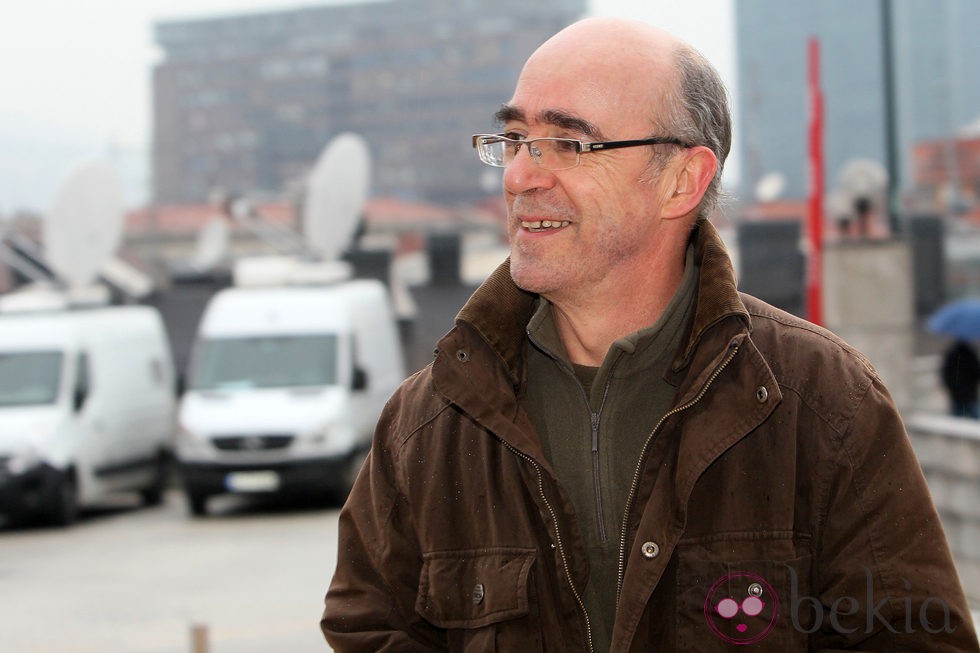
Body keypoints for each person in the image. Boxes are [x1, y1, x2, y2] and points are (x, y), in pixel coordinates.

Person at [322, 17, 978, 651]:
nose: (521, 175)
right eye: (516, 138)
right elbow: (365, 626)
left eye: (570, 143)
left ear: (681, 181)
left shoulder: (822, 400)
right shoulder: (428, 422)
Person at [941, 339, 980, 418]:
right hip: (970, 395)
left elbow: (946, 374)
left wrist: (952, 387)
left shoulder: (951, 355)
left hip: (956, 396)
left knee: (956, 422)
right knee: (975, 421)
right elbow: (977, 373)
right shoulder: (970, 354)